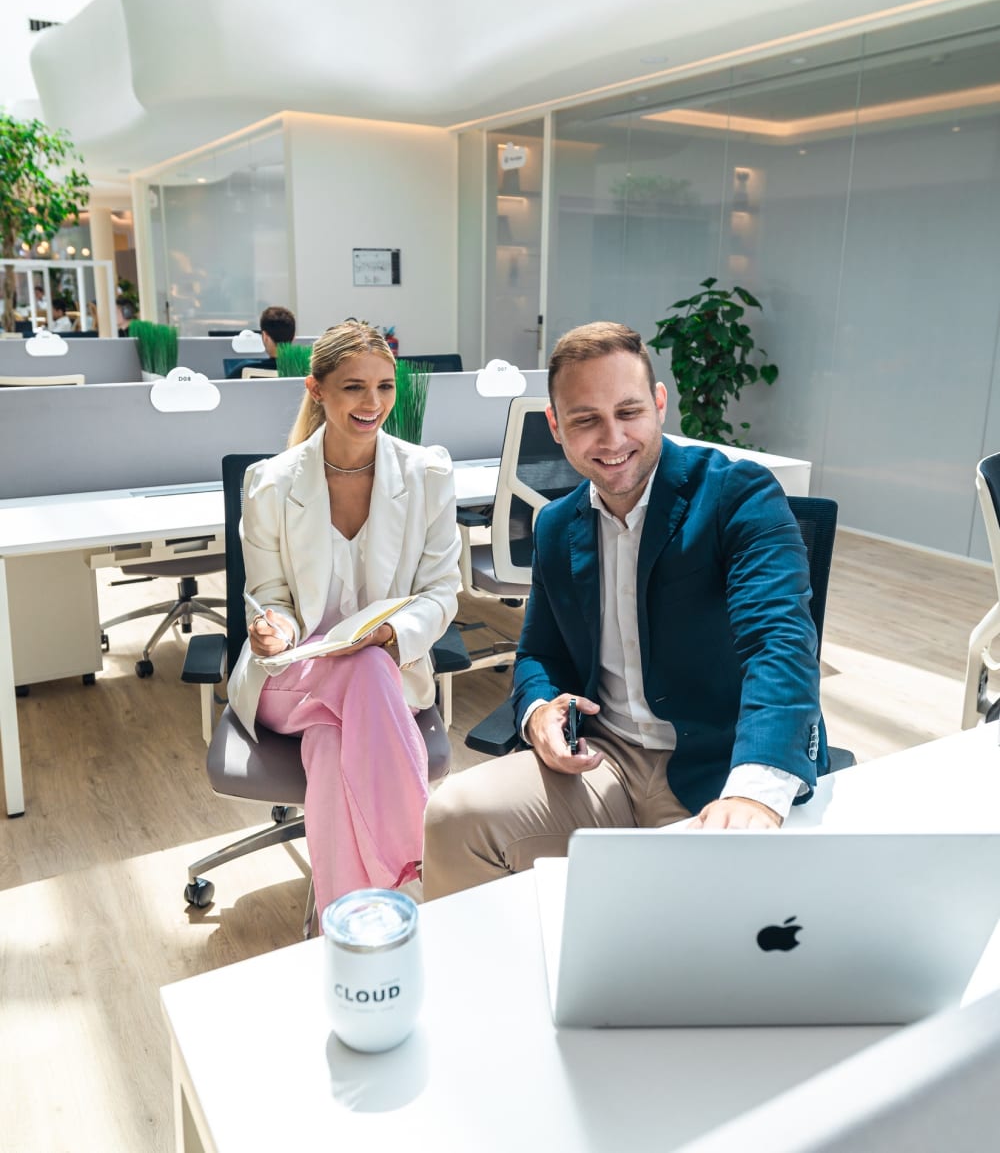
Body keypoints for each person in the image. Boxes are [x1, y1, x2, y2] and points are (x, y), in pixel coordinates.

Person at [423, 321, 827, 899]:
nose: (612, 439)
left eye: (629, 411)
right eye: (586, 419)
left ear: (660, 405)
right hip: (602, 759)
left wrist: (754, 790)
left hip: (718, 764)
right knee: (454, 818)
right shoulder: (558, 525)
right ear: (555, 427)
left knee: (692, 950)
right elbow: (540, 652)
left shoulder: (737, 495)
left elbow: (780, 641)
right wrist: (538, 710)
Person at [227, 319, 461, 912]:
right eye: (354, 387)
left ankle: (351, 926)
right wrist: (270, 627)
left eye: (385, 386)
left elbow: (441, 592)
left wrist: (389, 634)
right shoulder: (270, 484)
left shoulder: (427, 475)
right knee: (361, 673)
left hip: (379, 679)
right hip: (290, 679)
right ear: (317, 390)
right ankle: (420, 867)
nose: (374, 402)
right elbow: (269, 595)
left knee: (335, 746)